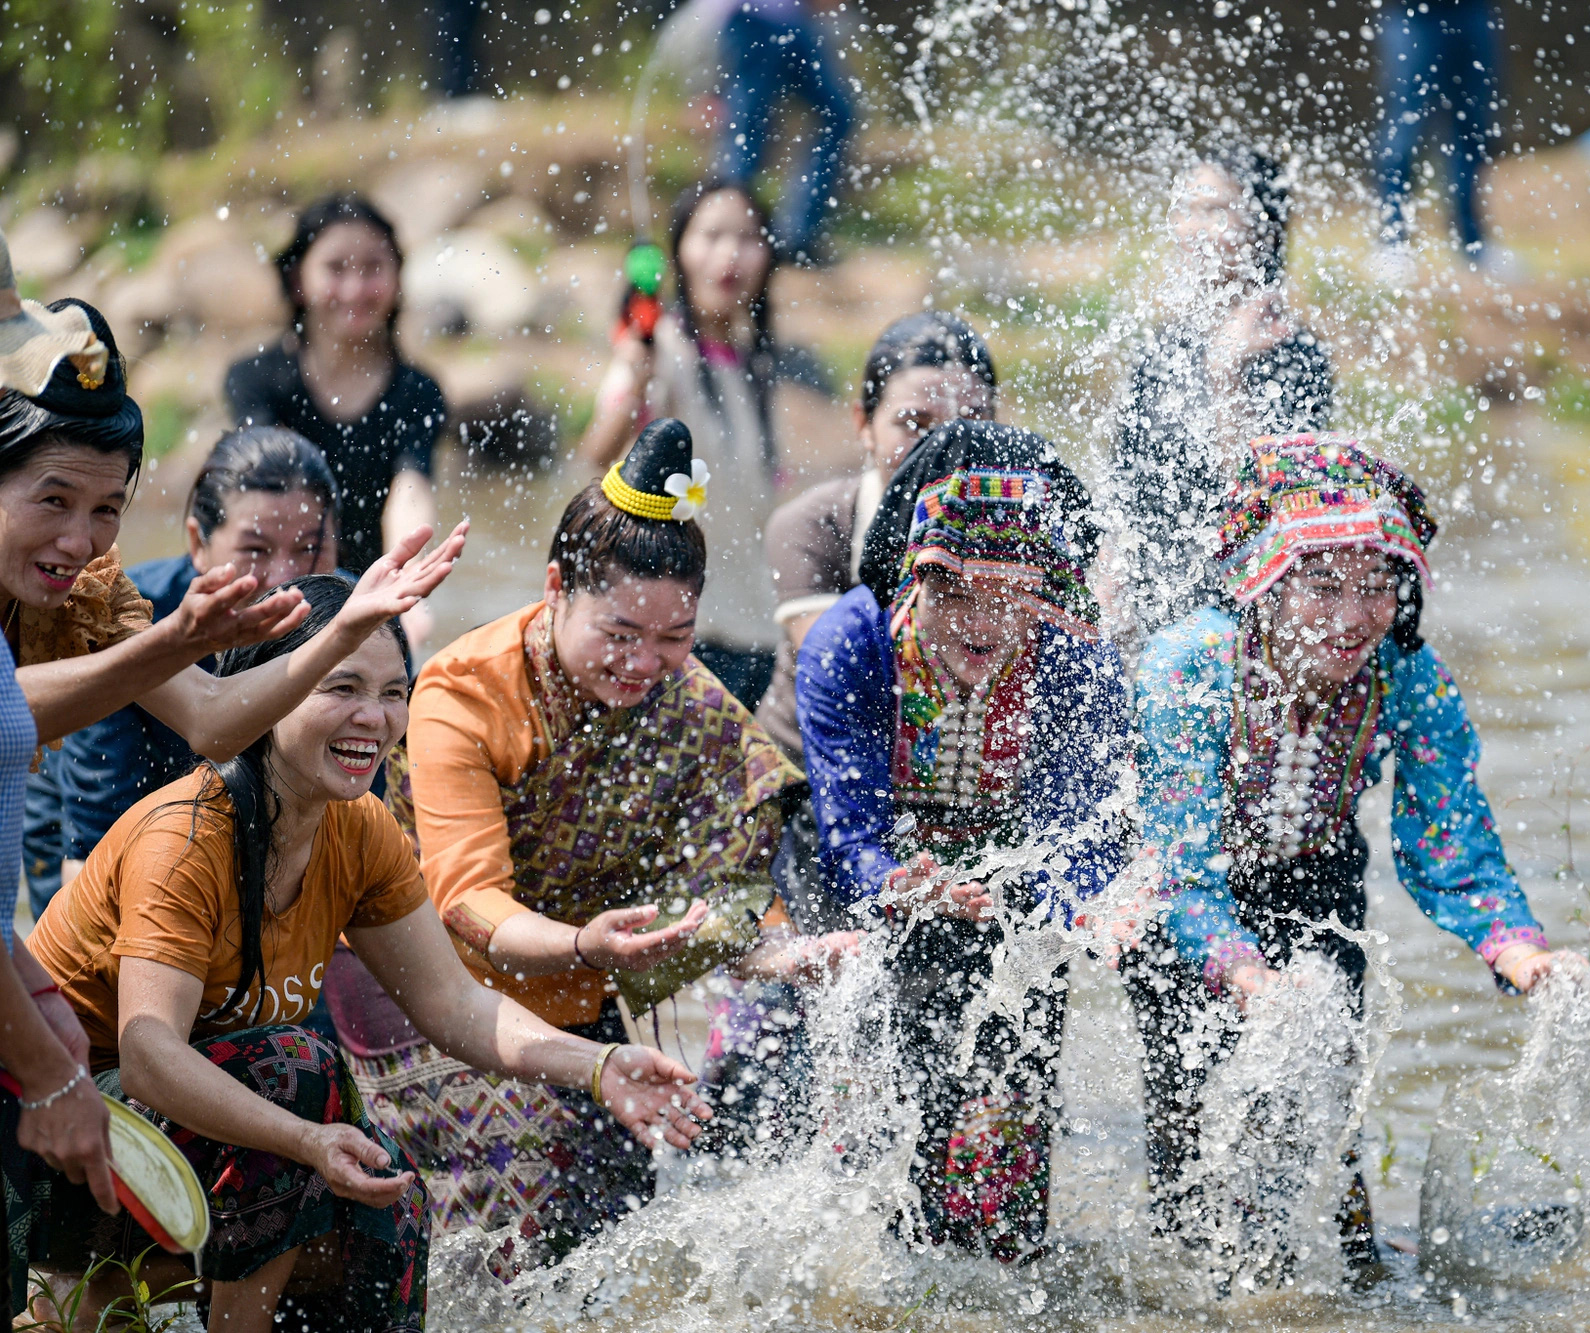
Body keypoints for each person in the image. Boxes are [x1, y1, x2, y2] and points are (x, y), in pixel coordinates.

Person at [27, 575, 711, 1333]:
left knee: (392, 1198)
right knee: (301, 1072)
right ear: (267, 689)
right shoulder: (186, 837)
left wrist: (595, 1065)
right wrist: (307, 1139)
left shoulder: (360, 826)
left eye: (393, 691)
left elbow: (455, 1005)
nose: (374, 717)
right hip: (58, 1147)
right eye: (341, 685)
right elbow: (149, 1054)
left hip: (189, 1149)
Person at [0, 276, 461, 1321]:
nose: (79, 537)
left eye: (107, 507)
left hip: (105, 1013)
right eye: (53, 501)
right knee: (288, 1070)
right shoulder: (155, 688)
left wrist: (348, 631)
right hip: (114, 1010)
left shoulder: (95, 588)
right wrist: (55, 1070)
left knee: (342, 1112)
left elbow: (209, 719)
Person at [365, 418, 854, 1273]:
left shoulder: (691, 709)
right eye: (620, 632)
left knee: (617, 1233)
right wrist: (587, 941)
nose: (644, 664)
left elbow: (731, 888)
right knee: (509, 1231)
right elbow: (468, 901)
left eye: (673, 638)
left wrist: (784, 954)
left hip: (577, 1002)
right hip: (423, 995)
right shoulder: (460, 695)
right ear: (557, 586)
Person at [1127, 436, 1563, 1280]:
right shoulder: (1187, 667)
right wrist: (1247, 976)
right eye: (1323, 583)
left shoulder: (1409, 676)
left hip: (1316, 882)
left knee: (1328, 1140)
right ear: (1263, 580)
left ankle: (1348, 1287)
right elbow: (1178, 862)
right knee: (1193, 1168)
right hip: (1179, 898)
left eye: (1377, 585)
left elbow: (1450, 834)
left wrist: (1516, 946)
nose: (1355, 615)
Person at [797, 420, 1127, 1262]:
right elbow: (849, 832)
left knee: (1000, 1209)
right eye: (956, 594)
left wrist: (1079, 909)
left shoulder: (1072, 661)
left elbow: (1085, 827)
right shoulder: (852, 642)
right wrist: (903, 886)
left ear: (1045, 595)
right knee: (870, 1201)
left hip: (1013, 920)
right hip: (871, 903)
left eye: (1013, 597)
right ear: (914, 577)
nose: (986, 623)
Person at [758, 312, 997, 927]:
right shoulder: (812, 526)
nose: (940, 450)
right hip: (814, 786)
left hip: (952, 790)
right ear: (863, 425)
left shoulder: (1017, 544)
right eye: (913, 425)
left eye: (966, 426)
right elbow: (841, 670)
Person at [579, 179, 835, 709]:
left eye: (747, 238)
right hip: (679, 639)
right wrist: (635, 366)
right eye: (712, 235)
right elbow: (599, 454)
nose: (729, 255)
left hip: (760, 632)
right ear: (678, 251)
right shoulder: (659, 351)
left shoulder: (755, 364)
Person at [52, 427, 341, 889]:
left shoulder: (361, 619)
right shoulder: (125, 616)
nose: (286, 579)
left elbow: (370, 831)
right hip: (92, 833)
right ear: (198, 543)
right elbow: (91, 853)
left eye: (309, 549)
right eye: (255, 550)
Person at [1108, 144, 1333, 640]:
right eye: (1186, 210)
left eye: (1214, 211)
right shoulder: (1162, 347)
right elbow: (1122, 497)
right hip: (1153, 608)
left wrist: (1225, 372)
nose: (1191, 229)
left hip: (1242, 620)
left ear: (1266, 229)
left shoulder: (1292, 352)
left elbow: (1272, 504)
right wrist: (1106, 604)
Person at [225, 193, 446, 577]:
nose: (354, 290)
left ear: (397, 279)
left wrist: (403, 578)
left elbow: (410, 493)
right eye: (335, 268)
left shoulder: (418, 392)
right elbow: (268, 496)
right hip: (282, 578)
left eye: (373, 267)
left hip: (372, 584)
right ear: (298, 280)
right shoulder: (256, 380)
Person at [712, 0, 853, 265]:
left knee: (839, 115)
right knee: (747, 133)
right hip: (749, 16)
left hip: (794, 20)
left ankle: (797, 239)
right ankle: (729, 236)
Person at [1372, 0, 1506, 272]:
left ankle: (1474, 245)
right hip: (1412, 15)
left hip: (1472, 11)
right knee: (1402, 134)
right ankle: (1393, 243)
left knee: (1472, 131)